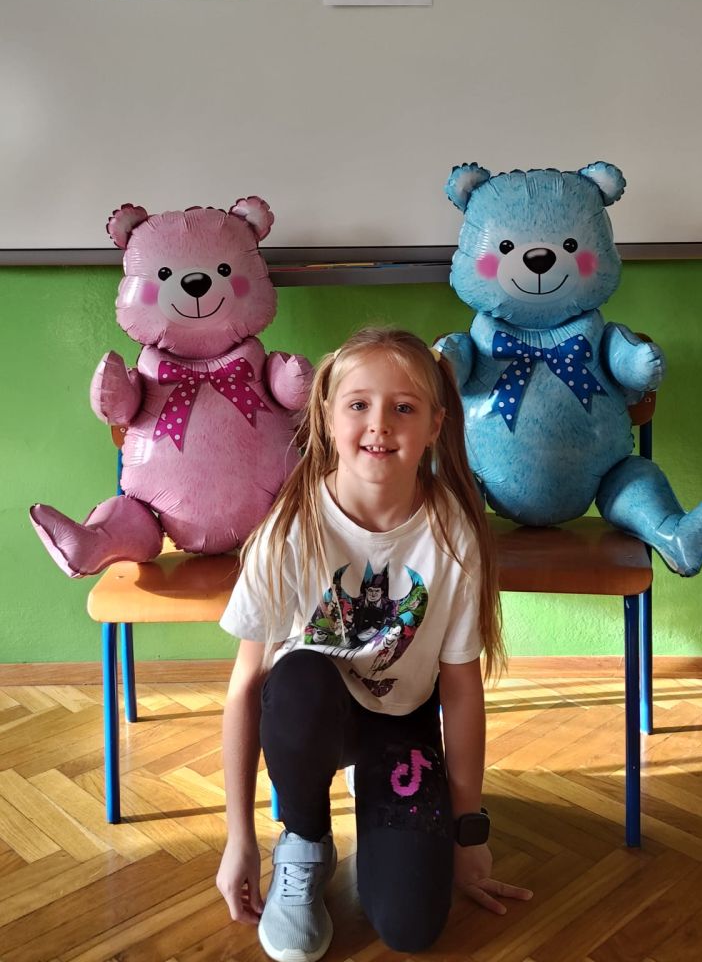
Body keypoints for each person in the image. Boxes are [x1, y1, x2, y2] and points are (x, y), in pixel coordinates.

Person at [216, 327, 532, 959]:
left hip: (401, 719)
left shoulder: (453, 535)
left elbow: (461, 689)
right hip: (313, 713)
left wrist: (467, 833)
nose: (379, 424)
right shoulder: (290, 530)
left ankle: (378, 796)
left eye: (403, 407)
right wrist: (239, 838)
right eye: (358, 404)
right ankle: (305, 840)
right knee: (298, 676)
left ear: (435, 424)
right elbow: (246, 686)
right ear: (328, 416)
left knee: (411, 928)